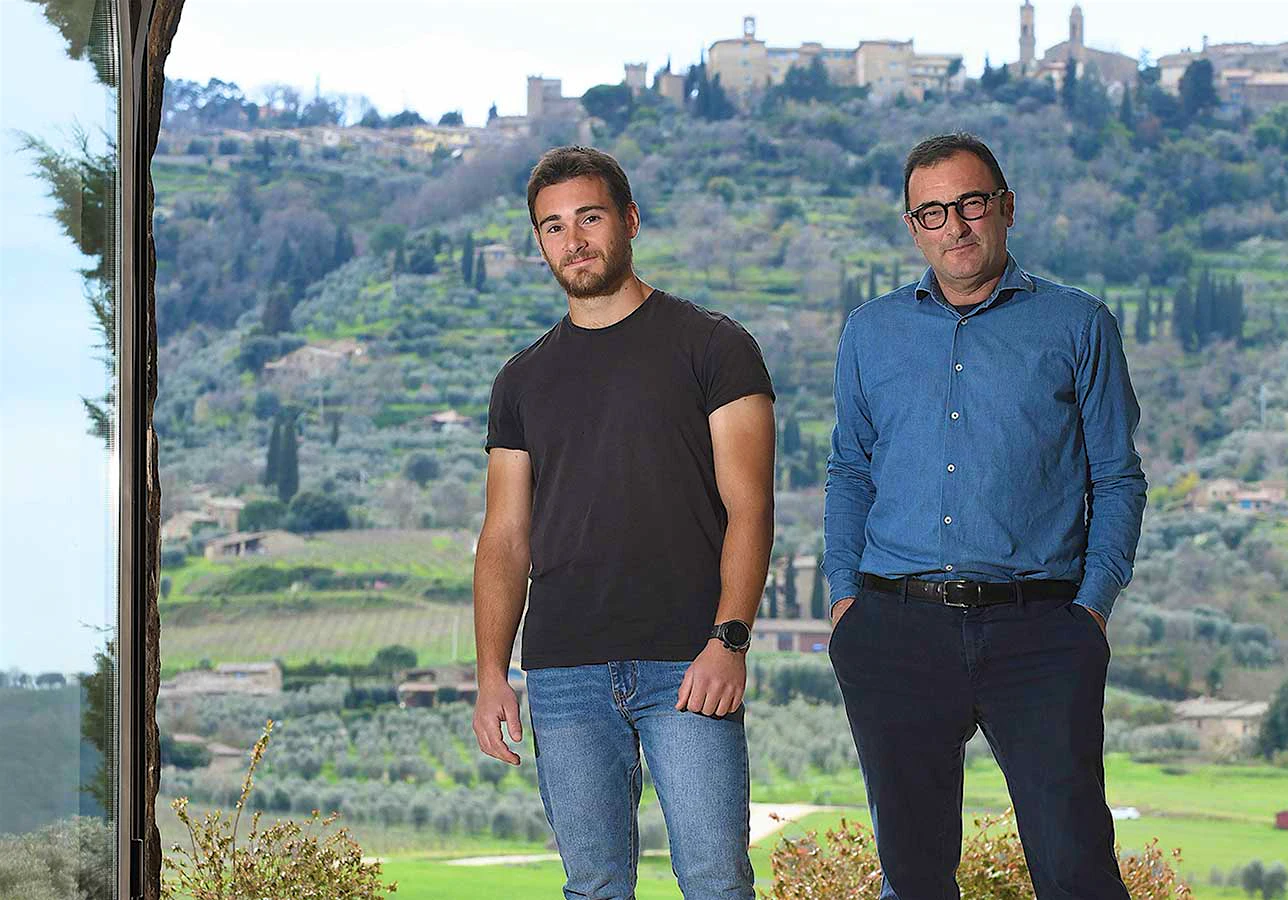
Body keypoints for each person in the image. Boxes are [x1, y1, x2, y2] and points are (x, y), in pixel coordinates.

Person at [824, 132, 1148, 900]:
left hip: (1040, 632)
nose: (956, 226)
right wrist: (844, 605)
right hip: (893, 630)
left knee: (1075, 870)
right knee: (914, 875)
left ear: (1005, 208)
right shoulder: (870, 332)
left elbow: (1118, 476)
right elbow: (848, 470)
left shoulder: (1078, 325)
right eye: (932, 212)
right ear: (913, 227)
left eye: (971, 204)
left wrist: (1090, 611)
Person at [471, 145, 776, 900]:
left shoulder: (714, 347)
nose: (572, 240)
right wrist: (489, 674)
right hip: (564, 671)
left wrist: (728, 640)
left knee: (715, 881)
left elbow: (752, 509)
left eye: (590, 217)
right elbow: (504, 539)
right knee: (594, 887)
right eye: (552, 227)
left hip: (688, 664)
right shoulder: (521, 379)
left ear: (630, 220)